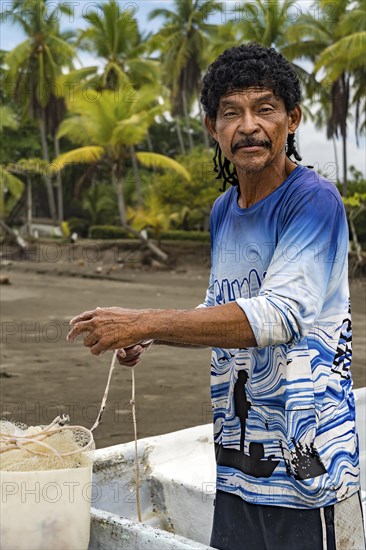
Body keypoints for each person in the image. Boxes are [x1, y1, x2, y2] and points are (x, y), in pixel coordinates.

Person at [67, 44, 365, 550]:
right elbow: (221, 302)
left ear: (292, 119)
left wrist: (147, 321)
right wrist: (153, 337)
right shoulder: (223, 211)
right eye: (231, 112)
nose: (248, 125)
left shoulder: (314, 201)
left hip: (307, 469)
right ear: (213, 128)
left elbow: (277, 317)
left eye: (265, 109)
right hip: (236, 460)